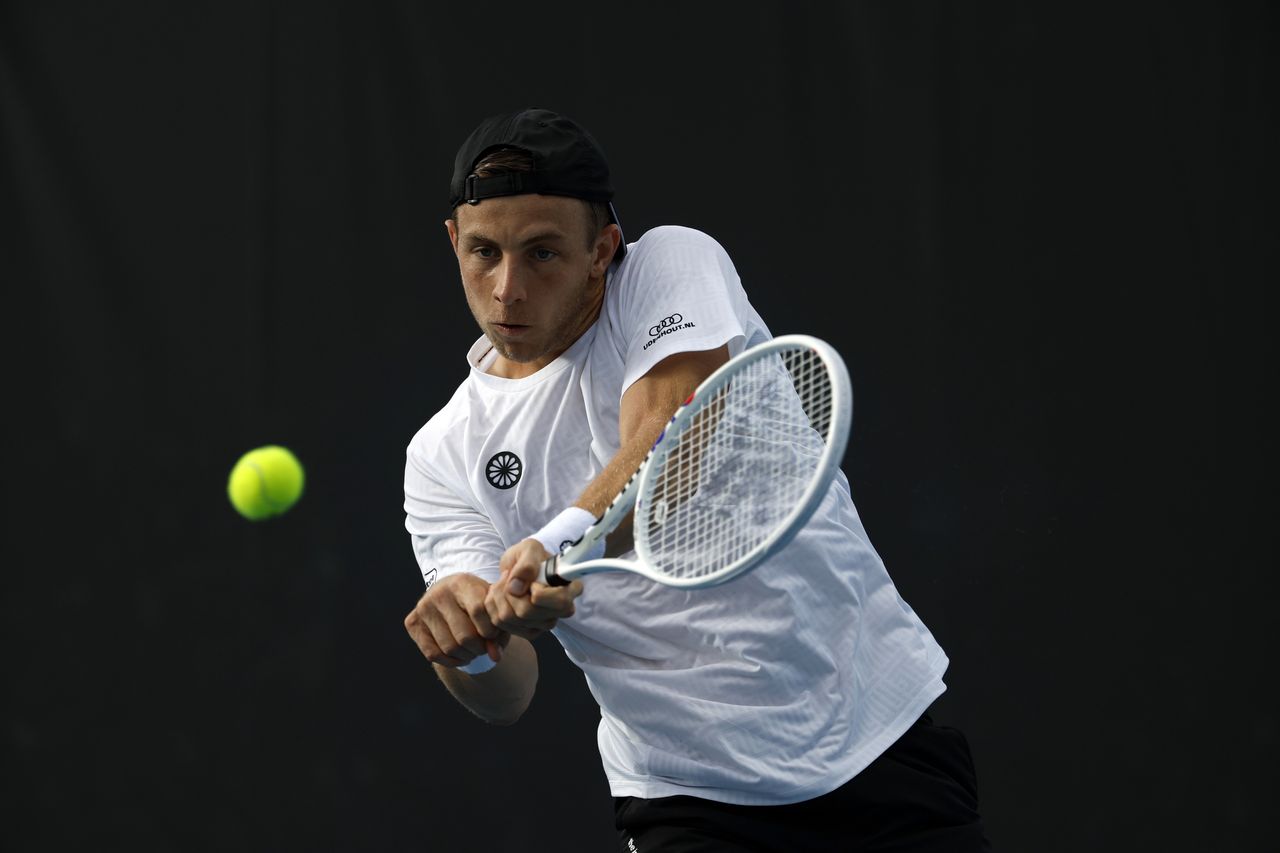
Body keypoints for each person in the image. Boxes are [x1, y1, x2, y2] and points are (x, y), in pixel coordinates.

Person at [402, 106, 991, 852]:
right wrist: (473, 640)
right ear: (454, 240)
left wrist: (556, 538)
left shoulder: (670, 264)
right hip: (689, 795)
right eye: (484, 251)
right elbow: (508, 693)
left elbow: (670, 437)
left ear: (602, 249)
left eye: (543, 254)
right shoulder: (442, 454)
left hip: (874, 735)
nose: (508, 289)